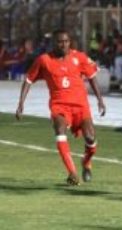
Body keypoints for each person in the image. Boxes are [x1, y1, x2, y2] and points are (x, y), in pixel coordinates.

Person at [15, 29, 106, 186]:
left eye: (66, 41)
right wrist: (21, 103)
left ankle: (86, 162)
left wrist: (100, 100)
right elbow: (29, 80)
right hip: (59, 106)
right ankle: (72, 172)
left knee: (91, 138)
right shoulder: (44, 60)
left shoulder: (80, 57)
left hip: (81, 106)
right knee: (60, 131)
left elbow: (92, 77)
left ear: (70, 42)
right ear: (54, 43)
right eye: (60, 42)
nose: (63, 44)